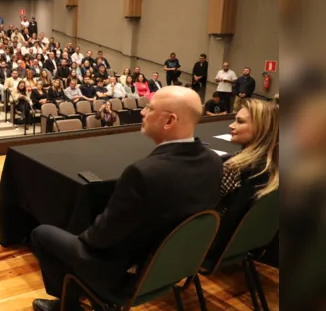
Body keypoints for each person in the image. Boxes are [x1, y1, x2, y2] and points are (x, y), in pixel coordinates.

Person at [29, 86, 221, 311]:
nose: (142, 112)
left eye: (149, 108)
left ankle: (68, 305)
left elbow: (100, 239)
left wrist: (82, 234)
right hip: (171, 267)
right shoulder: (213, 162)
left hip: (127, 272)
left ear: (169, 121)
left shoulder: (143, 173)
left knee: (42, 234)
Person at [208, 99, 278, 260]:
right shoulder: (274, 165)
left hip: (215, 246)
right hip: (247, 246)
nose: (231, 126)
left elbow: (206, 208)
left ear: (261, 128)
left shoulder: (234, 167)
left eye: (240, 122)